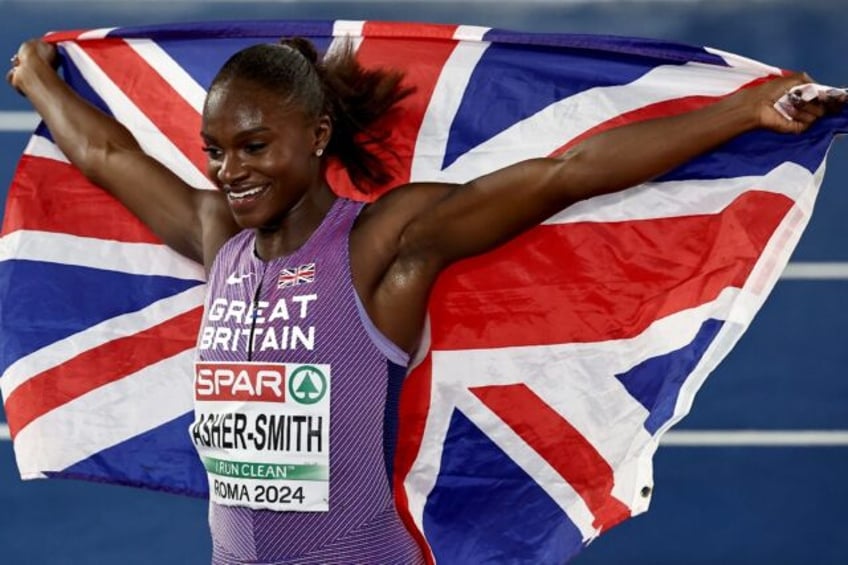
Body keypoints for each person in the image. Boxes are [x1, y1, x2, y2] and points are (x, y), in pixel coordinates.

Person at [7, 35, 833, 564]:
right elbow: (108, 152)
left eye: (255, 145)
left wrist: (741, 110)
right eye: (215, 150)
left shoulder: (380, 244)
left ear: (317, 135)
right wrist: (40, 80)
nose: (232, 169)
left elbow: (562, 176)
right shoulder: (216, 233)